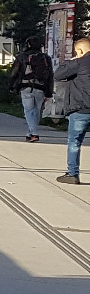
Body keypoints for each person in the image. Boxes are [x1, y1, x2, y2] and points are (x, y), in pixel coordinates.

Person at [53, 38, 90, 184]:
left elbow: (59, 74)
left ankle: (72, 174)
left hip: (80, 109)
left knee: (74, 142)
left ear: (80, 51)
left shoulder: (78, 63)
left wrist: (71, 60)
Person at [10, 36, 52, 142]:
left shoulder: (22, 57)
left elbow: (14, 72)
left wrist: (12, 86)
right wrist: (49, 92)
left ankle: (34, 133)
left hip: (26, 87)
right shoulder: (46, 58)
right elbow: (50, 76)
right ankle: (30, 133)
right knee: (36, 111)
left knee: (29, 111)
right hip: (41, 87)